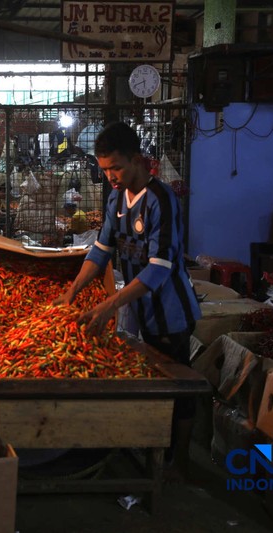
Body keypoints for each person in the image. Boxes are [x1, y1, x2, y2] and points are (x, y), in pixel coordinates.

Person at [53, 121, 200, 480]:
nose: (110, 177)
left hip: (169, 310)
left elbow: (159, 268)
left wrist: (109, 305)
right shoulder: (115, 199)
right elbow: (100, 251)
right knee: (149, 381)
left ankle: (178, 462)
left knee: (177, 387)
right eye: (104, 170)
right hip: (139, 307)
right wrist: (71, 292)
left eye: (116, 168)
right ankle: (152, 449)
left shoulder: (161, 200)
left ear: (137, 160)